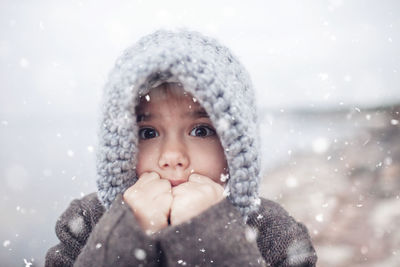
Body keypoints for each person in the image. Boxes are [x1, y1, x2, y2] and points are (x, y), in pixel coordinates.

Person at [45, 29, 317, 266]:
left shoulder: (272, 231)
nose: (172, 157)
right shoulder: (87, 224)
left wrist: (214, 236)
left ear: (234, 148)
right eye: (148, 133)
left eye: (200, 130)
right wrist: (125, 234)